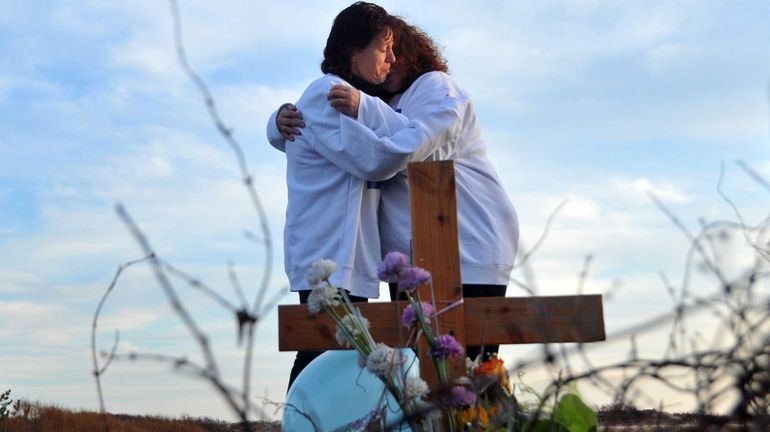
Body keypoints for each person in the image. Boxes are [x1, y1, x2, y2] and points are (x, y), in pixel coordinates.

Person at [271, 16, 519, 362]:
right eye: (385, 49)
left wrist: (364, 106)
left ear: (416, 53)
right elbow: (325, 139)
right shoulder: (349, 96)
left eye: (396, 50)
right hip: (401, 257)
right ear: (355, 52)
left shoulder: (436, 86)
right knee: (397, 366)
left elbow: (414, 144)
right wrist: (279, 123)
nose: (390, 60)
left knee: (468, 368)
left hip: (465, 245)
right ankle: (304, 418)